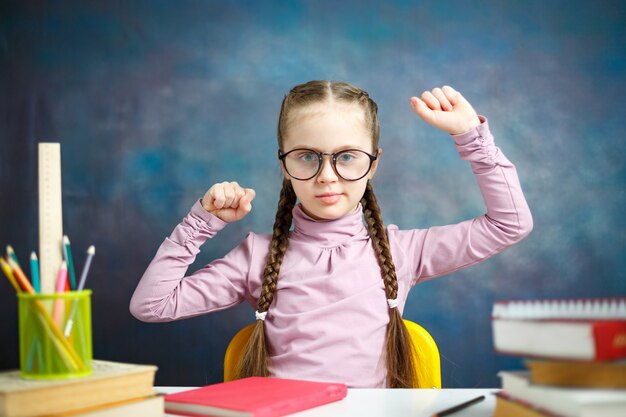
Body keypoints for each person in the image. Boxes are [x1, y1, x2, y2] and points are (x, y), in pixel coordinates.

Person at [130, 80, 533, 388]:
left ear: (373, 163)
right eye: (306, 156)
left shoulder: (401, 251)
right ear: (284, 163)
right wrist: (202, 222)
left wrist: (472, 138)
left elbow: (510, 223)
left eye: (347, 157)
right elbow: (152, 305)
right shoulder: (257, 256)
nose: (327, 176)